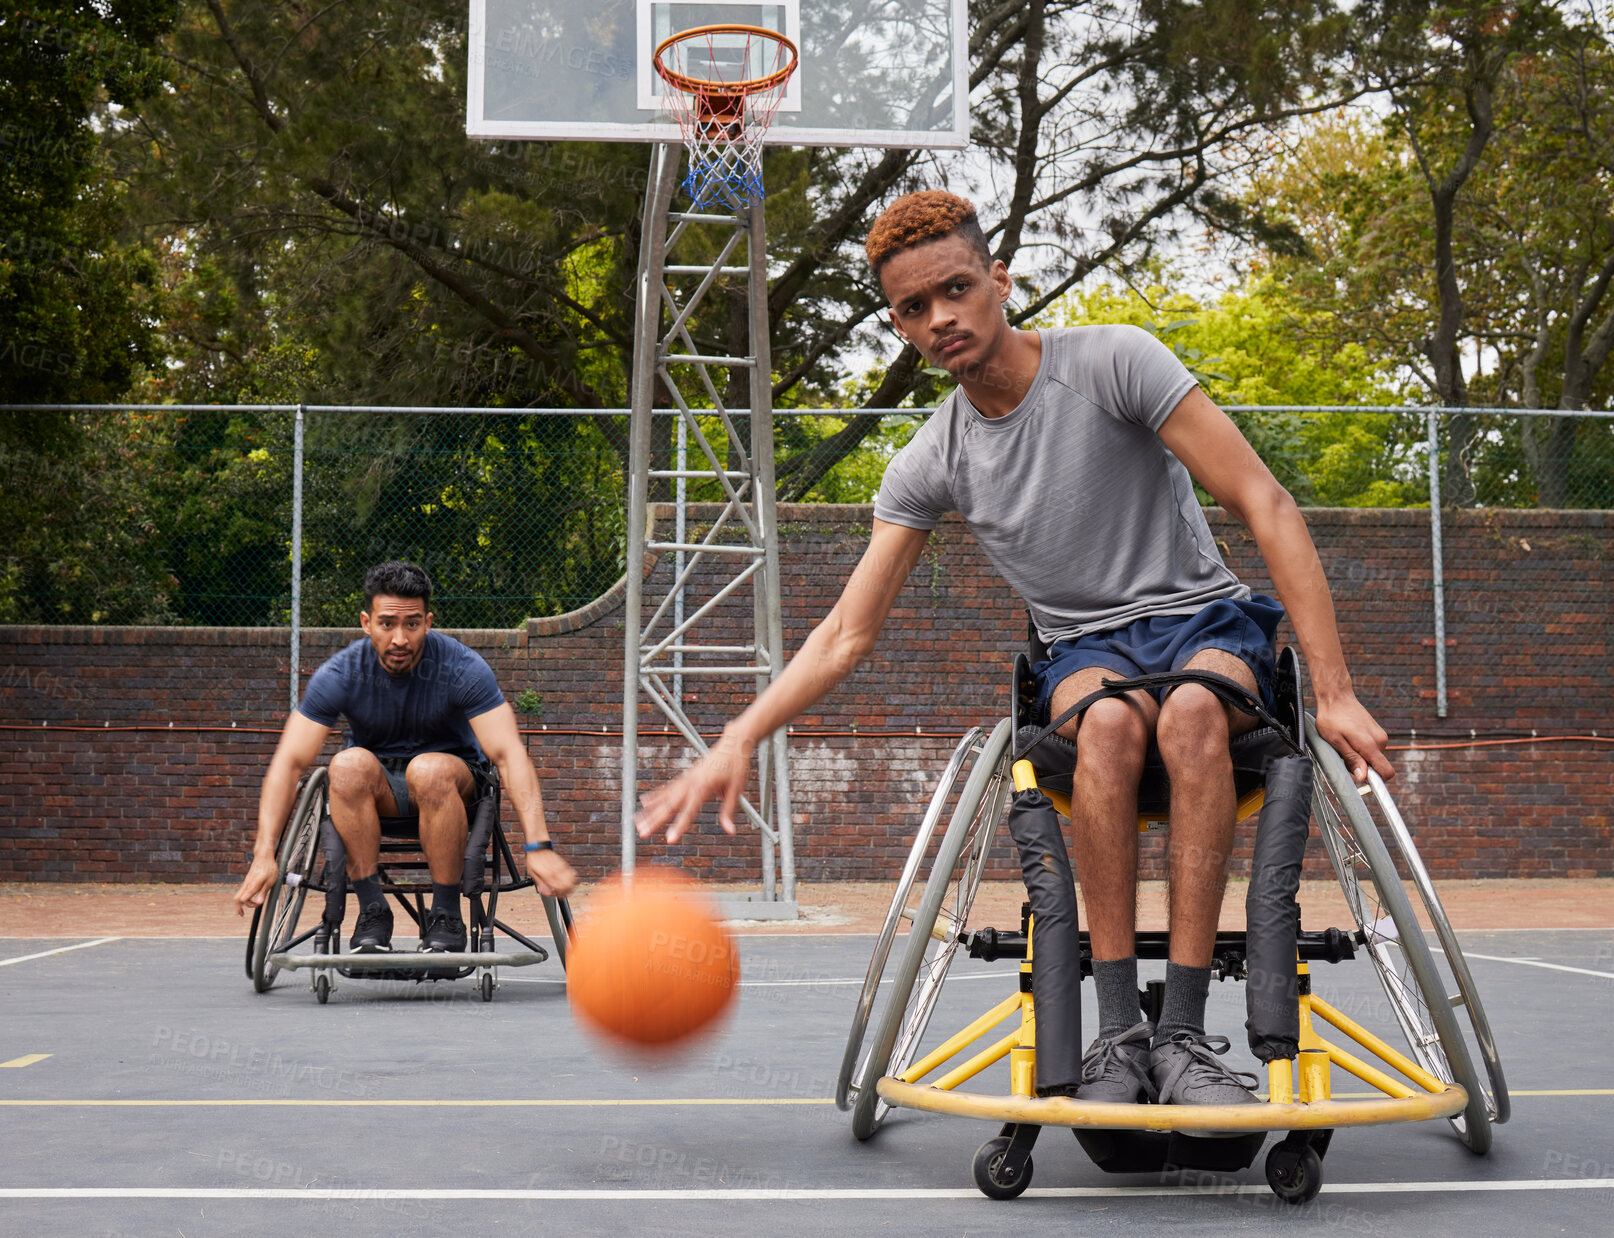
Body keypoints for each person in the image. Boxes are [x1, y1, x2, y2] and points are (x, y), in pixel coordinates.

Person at [635, 191, 1393, 1108]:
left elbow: (1265, 503)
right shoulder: (933, 458)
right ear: (901, 326)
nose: (940, 318)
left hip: (1203, 621)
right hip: (1083, 653)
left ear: (999, 280)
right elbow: (845, 632)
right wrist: (740, 736)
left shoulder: (1114, 361)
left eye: (955, 289)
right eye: (913, 308)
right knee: (1108, 728)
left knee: (1193, 711)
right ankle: (1120, 1035)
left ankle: (1183, 1035)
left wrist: (1338, 690)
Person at [232, 561, 577, 951]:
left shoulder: (461, 667)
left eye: (412, 624)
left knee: (427, 769)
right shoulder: (343, 672)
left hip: (452, 784)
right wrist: (264, 854)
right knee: (343, 766)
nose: (400, 638)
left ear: (428, 622)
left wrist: (539, 846)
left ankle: (446, 914)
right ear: (366, 623)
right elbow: (289, 761)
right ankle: (372, 910)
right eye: (387, 624)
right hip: (376, 791)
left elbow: (509, 753)